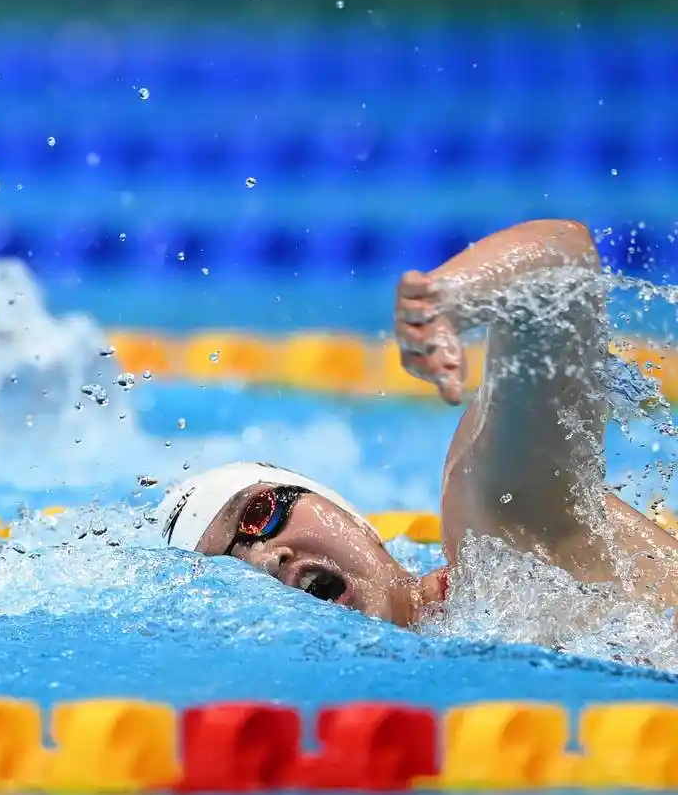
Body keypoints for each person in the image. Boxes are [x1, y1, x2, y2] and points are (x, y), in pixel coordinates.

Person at [156, 219, 678, 627]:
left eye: (259, 515)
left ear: (350, 515)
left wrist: (446, 299)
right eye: (231, 576)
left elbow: (562, 259)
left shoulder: (501, 541)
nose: (266, 561)